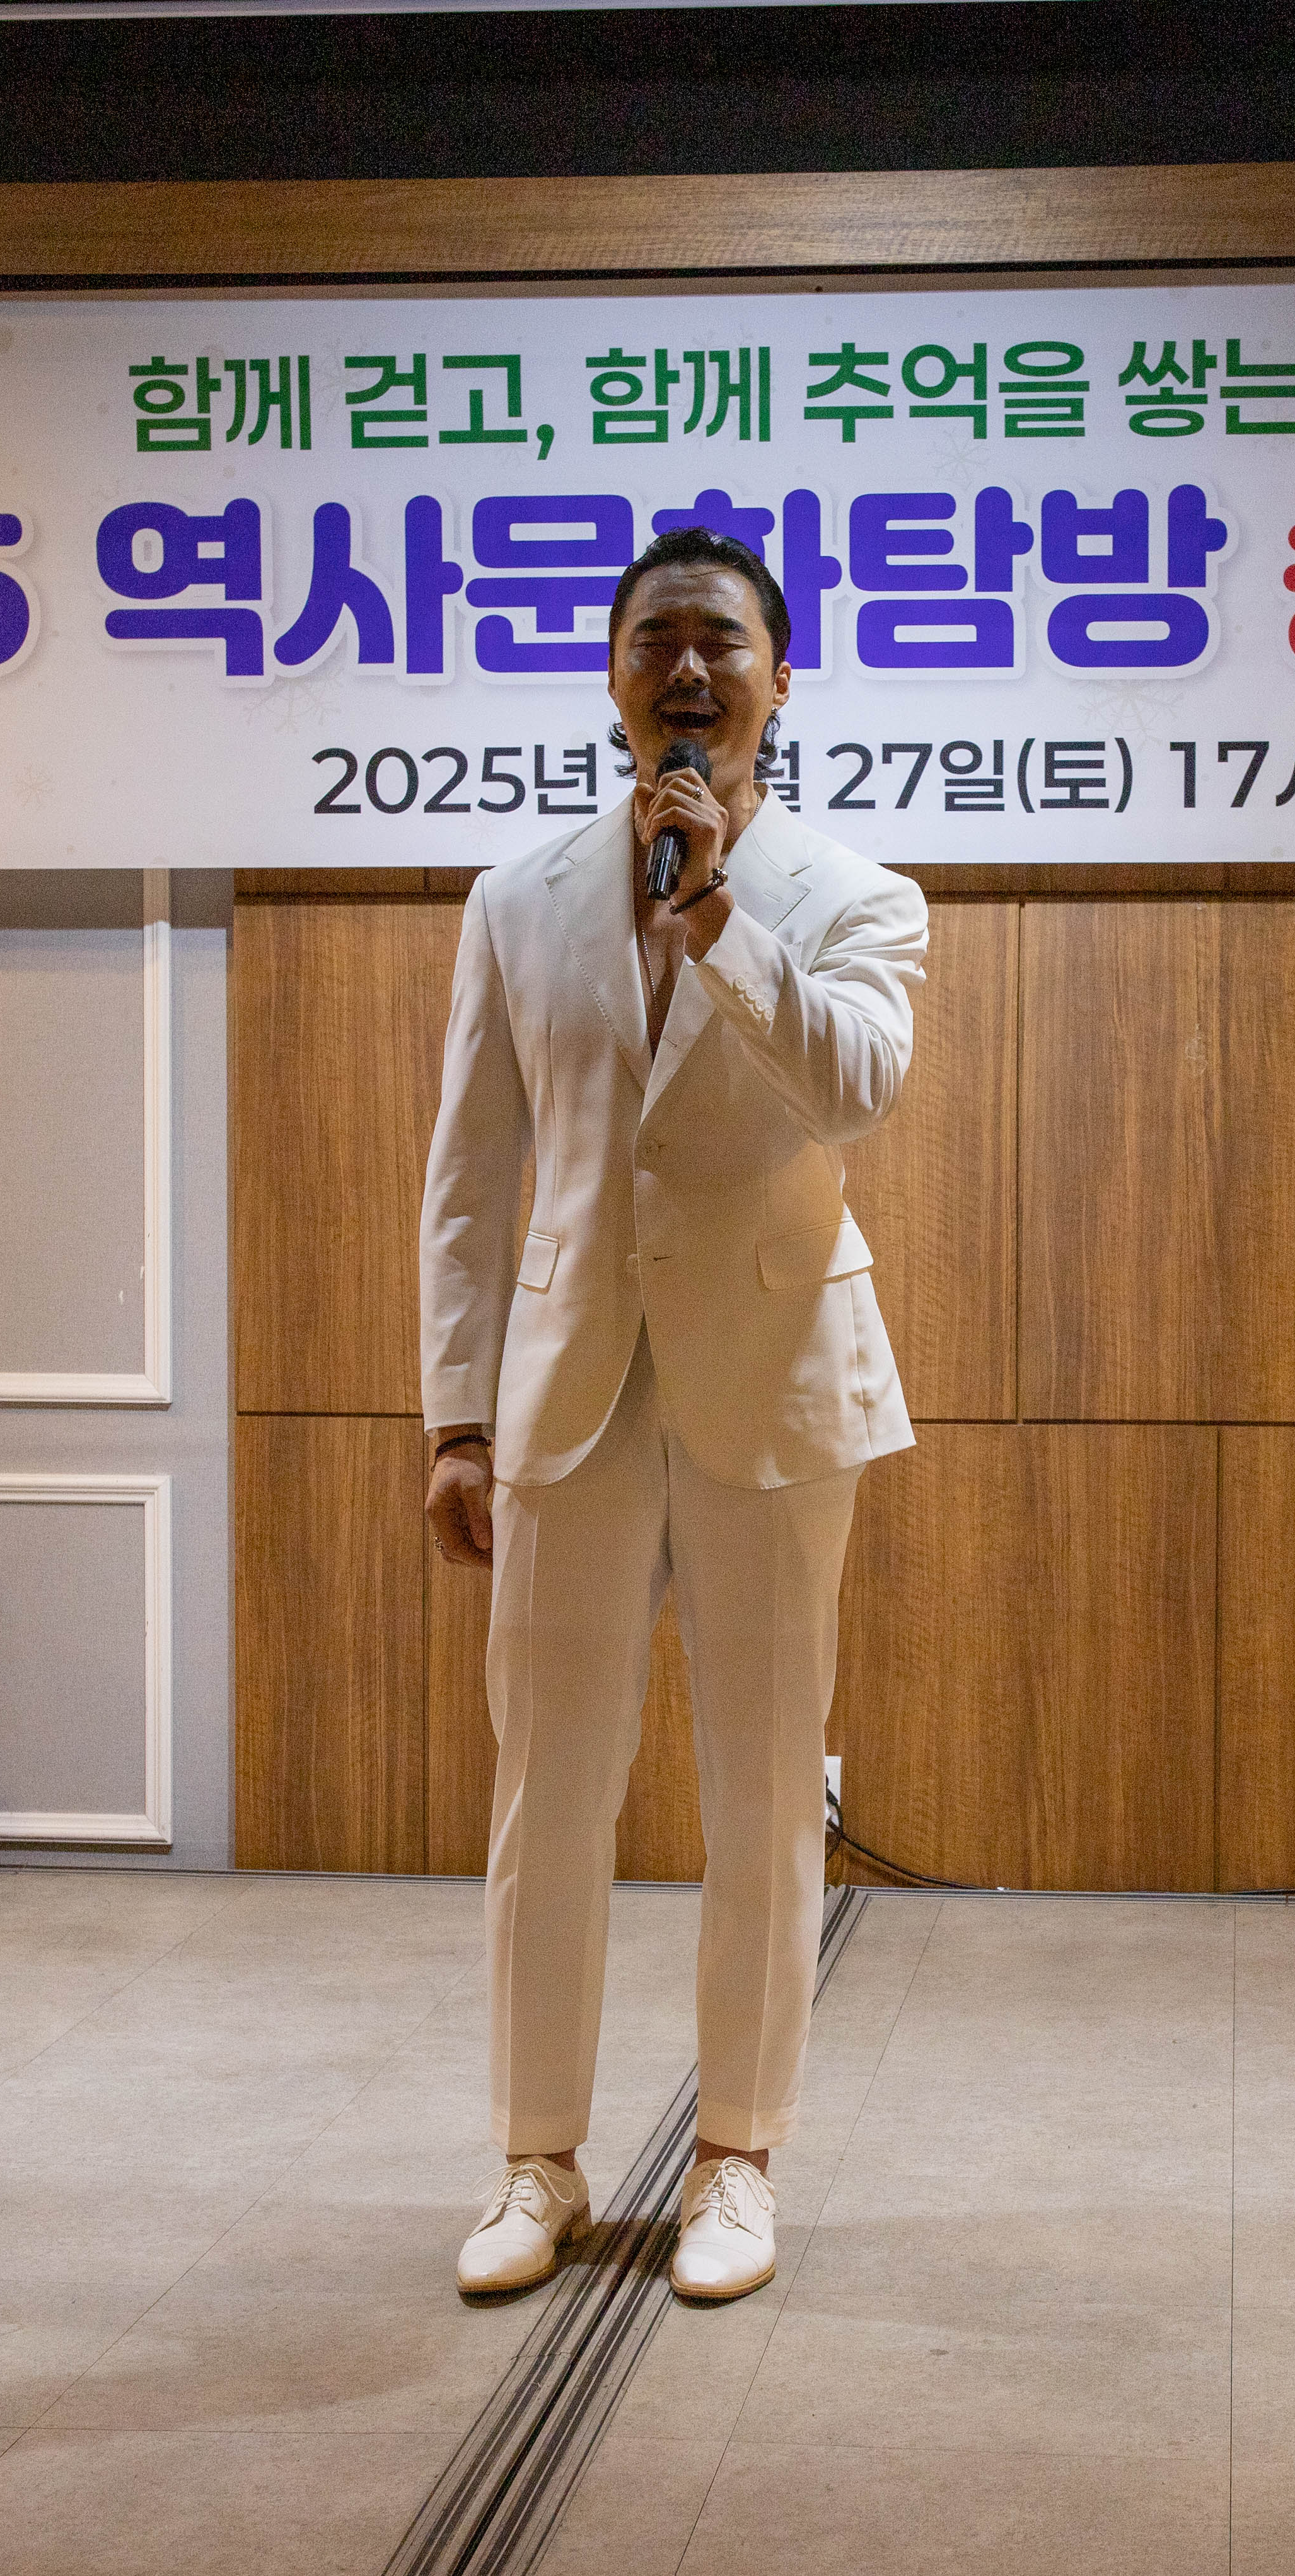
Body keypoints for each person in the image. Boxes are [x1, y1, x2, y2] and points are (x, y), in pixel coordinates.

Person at [417, 526, 923, 2302]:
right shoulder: (517, 898)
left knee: (767, 1789)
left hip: (773, 1387)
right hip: (565, 1395)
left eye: (722, 641)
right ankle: (536, 2159)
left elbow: (855, 1089)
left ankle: (738, 2159)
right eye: (656, 642)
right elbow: (472, 1177)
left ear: (781, 679)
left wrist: (711, 918)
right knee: (546, 1785)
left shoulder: (853, 894)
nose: (688, 670)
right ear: (615, 680)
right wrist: (455, 1417)